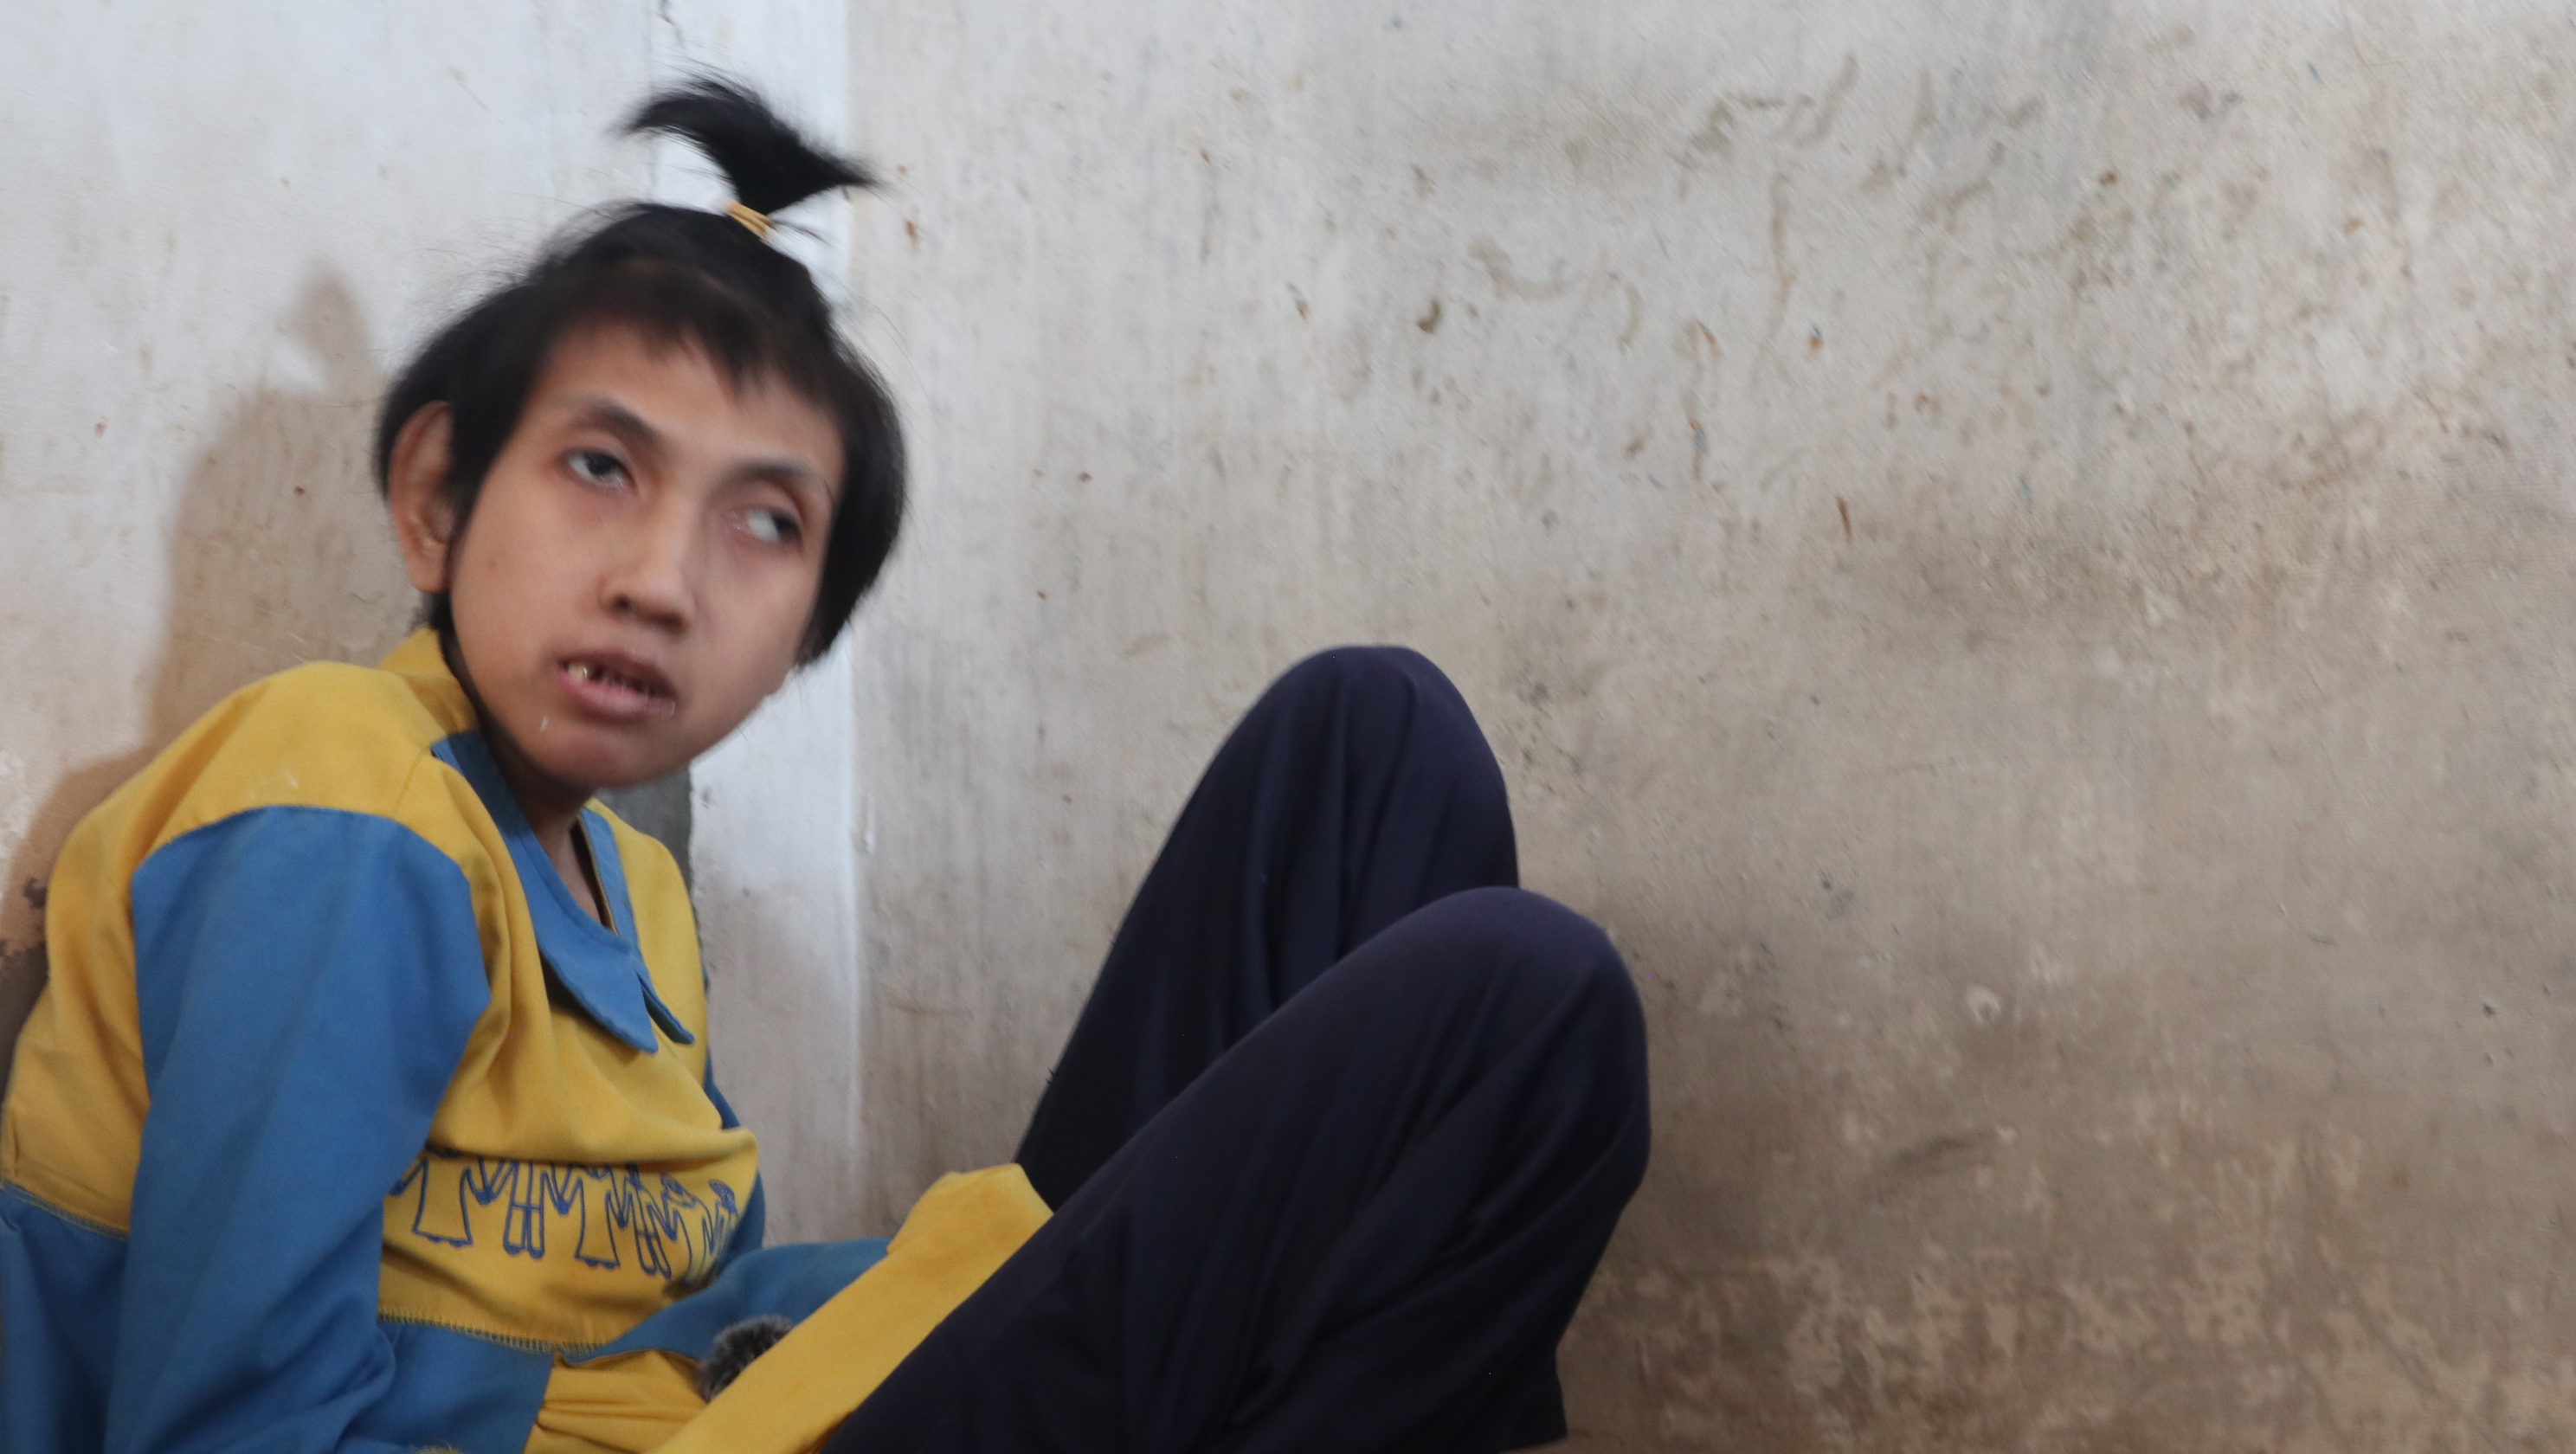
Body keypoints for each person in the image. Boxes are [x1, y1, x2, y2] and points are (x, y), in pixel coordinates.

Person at [0, 78, 1648, 1454]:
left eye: (766, 523)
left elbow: (671, 1327)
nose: (663, 580)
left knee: (1371, 744)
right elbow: (229, 1426)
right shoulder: (348, 808)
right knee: (1526, 997)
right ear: (436, 497)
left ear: (805, 629)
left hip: (778, 1399)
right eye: (600, 466)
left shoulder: (637, 898)